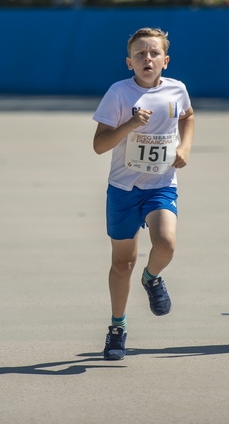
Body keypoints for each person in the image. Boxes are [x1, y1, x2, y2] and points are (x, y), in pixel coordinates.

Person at [92, 28, 195, 360]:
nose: (146, 59)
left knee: (166, 243)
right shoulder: (119, 94)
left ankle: (152, 279)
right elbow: (99, 145)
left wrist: (185, 146)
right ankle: (117, 327)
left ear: (165, 60)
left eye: (153, 53)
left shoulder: (177, 90)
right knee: (123, 263)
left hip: (161, 185)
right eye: (140, 54)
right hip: (123, 189)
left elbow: (188, 117)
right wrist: (130, 125)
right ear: (129, 62)